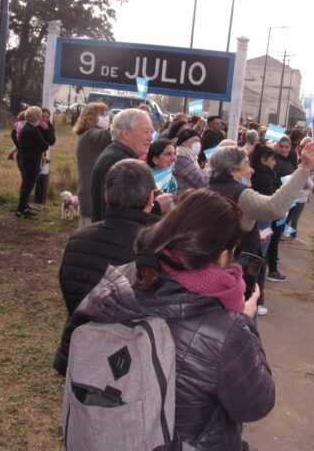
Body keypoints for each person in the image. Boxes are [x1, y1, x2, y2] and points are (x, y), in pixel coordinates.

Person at [71, 189, 274, 450]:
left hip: (115, 434)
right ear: (224, 255)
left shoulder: (120, 280)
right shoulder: (227, 331)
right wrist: (245, 322)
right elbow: (256, 404)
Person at [53, 159, 160, 375]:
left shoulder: (77, 239)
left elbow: (70, 291)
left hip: (80, 349)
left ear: (106, 197)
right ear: (151, 197)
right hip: (128, 362)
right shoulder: (157, 245)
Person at [209, 141, 314, 287]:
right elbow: (274, 207)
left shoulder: (211, 187)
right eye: (246, 164)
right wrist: (304, 168)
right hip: (235, 272)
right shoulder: (239, 193)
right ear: (233, 170)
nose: (252, 170)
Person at [90, 108, 166, 222]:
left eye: (152, 131)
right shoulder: (118, 162)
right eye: (146, 132)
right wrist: (158, 207)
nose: (151, 138)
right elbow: (119, 214)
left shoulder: (119, 155)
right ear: (125, 133)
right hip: (115, 237)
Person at [73, 102, 111, 228]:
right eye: (103, 113)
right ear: (92, 116)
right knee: (89, 229)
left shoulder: (86, 135)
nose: (107, 116)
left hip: (88, 190)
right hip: (91, 192)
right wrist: (125, 119)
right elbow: (107, 135)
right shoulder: (91, 134)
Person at [265, 135, 297, 278]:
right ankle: (272, 270)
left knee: (274, 235)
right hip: (275, 203)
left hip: (285, 204)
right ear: (277, 147)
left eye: (287, 147)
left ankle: (269, 258)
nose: (284, 149)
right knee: (273, 235)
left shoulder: (288, 160)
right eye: (281, 146)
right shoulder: (275, 161)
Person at [15, 106, 51, 218]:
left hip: (25, 159)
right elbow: (45, 145)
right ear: (38, 117)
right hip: (32, 161)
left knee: (27, 185)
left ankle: (24, 208)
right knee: (28, 186)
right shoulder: (33, 130)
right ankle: (20, 210)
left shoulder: (26, 128)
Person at [173, 127, 208, 194]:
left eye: (199, 141)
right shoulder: (181, 159)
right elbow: (201, 181)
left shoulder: (192, 156)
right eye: (195, 141)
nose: (198, 144)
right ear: (184, 143)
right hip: (184, 198)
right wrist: (207, 168)